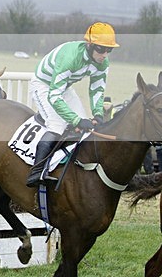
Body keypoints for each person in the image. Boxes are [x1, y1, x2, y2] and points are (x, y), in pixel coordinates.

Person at [25, 22, 119, 187]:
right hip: (43, 85)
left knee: (85, 129)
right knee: (57, 125)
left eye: (109, 50)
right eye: (101, 49)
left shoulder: (103, 63)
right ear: (89, 45)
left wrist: (98, 114)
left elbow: (97, 89)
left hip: (65, 87)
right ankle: (36, 172)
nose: (104, 54)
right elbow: (54, 95)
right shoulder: (70, 58)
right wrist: (76, 120)